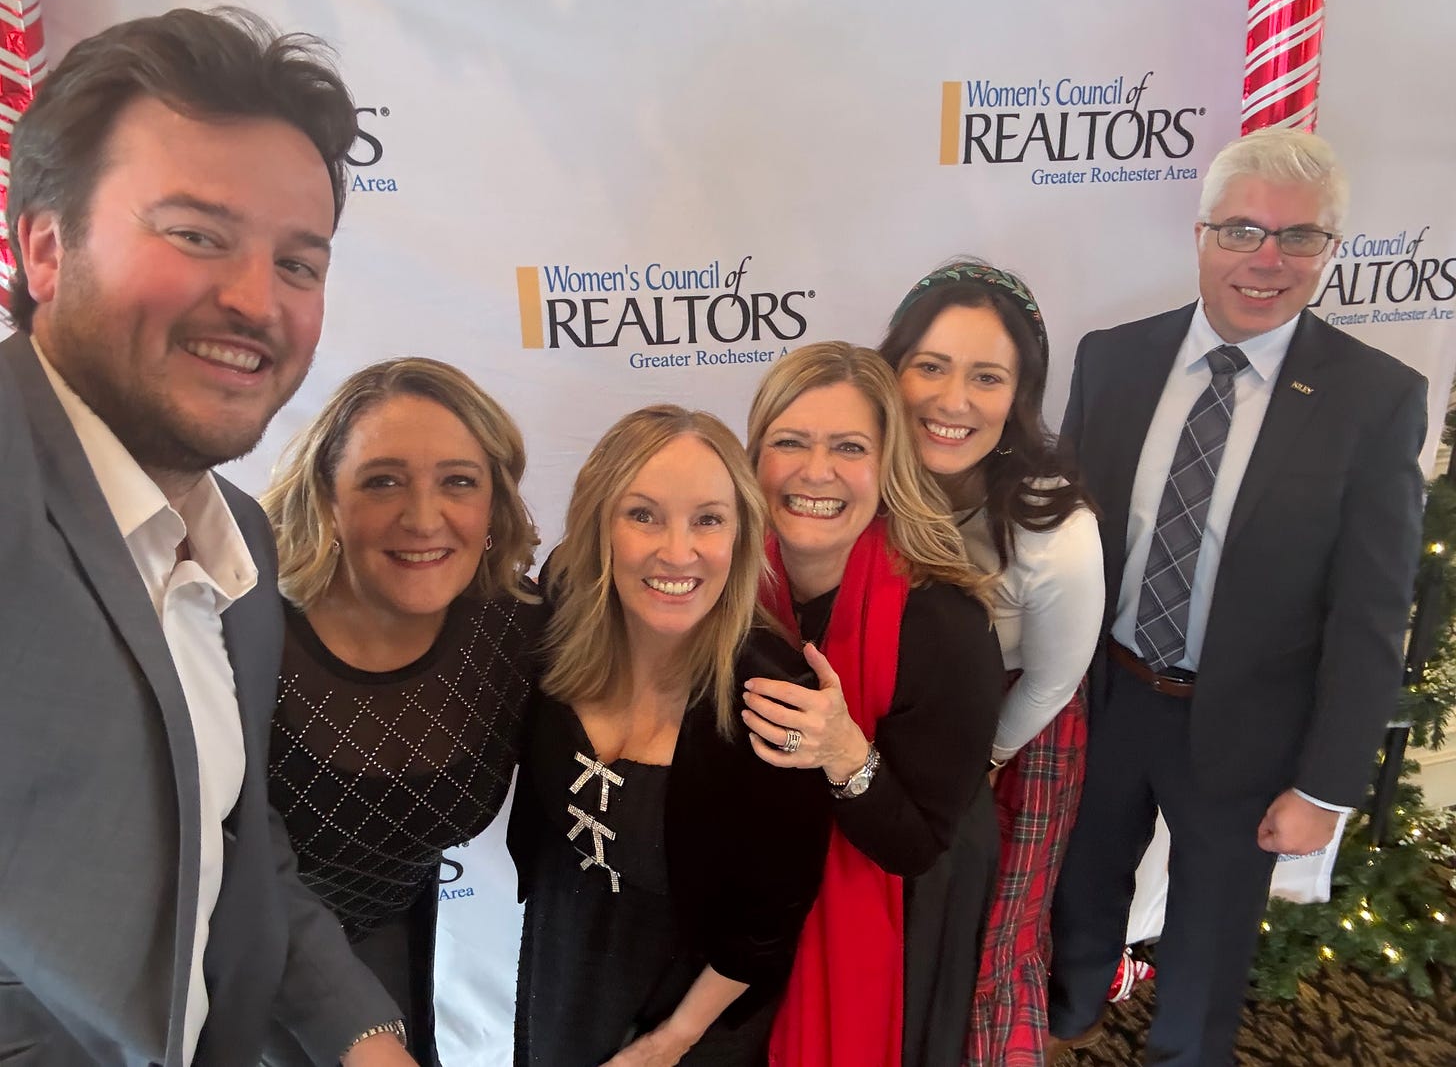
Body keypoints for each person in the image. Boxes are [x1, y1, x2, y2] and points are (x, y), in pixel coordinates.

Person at [0, 8, 417, 1067]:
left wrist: (367, 1038)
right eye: (195, 234)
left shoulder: (237, 538)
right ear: (46, 247)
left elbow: (232, 841)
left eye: (299, 263)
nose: (254, 303)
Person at [1047, 127, 1427, 1066]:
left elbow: (1372, 615)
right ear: (1201, 234)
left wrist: (1326, 787)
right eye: (1242, 230)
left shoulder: (1375, 399)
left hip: (1250, 735)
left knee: (1209, 955)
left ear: (1328, 251)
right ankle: (1062, 1028)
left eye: (1298, 238)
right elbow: (1053, 543)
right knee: (1076, 904)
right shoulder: (1112, 359)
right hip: (1107, 701)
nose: (1267, 258)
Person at [507, 405, 832, 1065]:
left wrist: (673, 1041)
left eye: (708, 520)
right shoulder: (563, 606)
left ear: (741, 536)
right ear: (601, 524)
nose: (677, 551)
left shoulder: (775, 699)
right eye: (643, 515)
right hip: (563, 958)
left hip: (692, 1005)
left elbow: (767, 923)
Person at [259, 358, 544, 1064]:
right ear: (328, 496)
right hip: (235, 952)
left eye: (458, 481)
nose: (423, 518)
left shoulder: (513, 628)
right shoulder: (246, 631)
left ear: (494, 503)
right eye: (383, 481)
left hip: (393, 933)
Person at [741, 341, 1005, 1067]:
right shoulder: (722, 580)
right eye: (789, 442)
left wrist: (844, 755)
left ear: (886, 467)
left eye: (848, 447)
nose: (815, 472)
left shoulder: (945, 626)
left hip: (896, 906)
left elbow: (916, 847)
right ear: (753, 458)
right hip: (760, 896)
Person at [878, 260, 1103, 1066]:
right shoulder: (857, 474)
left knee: (986, 947)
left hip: (1014, 739)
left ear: (1018, 396)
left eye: (986, 377)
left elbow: (1053, 677)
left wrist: (983, 759)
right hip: (887, 727)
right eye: (930, 367)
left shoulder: (1053, 519)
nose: (953, 401)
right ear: (891, 369)